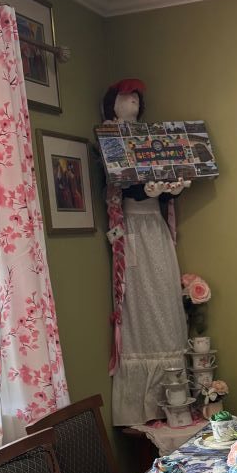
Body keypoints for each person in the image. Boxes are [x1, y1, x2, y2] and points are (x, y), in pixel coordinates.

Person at [102, 78, 192, 426]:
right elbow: (120, 184)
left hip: (154, 225)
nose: (134, 104)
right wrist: (145, 189)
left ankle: (174, 389)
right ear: (115, 103)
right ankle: (145, 400)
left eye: (137, 98)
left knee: (165, 293)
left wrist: (169, 187)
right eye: (128, 98)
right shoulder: (111, 139)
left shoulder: (151, 136)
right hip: (134, 227)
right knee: (140, 299)